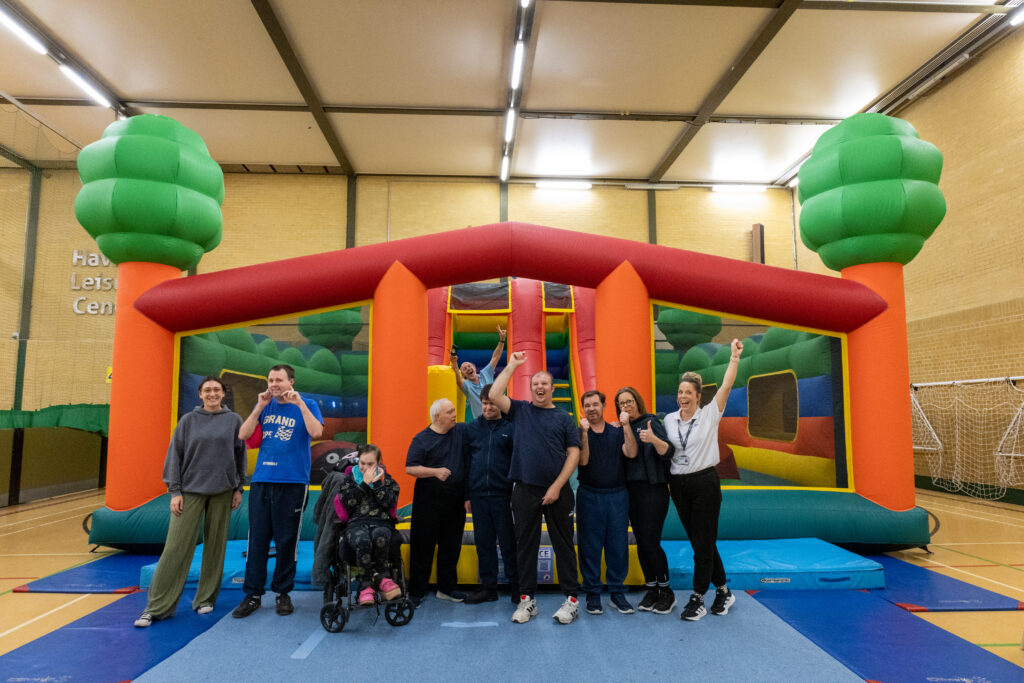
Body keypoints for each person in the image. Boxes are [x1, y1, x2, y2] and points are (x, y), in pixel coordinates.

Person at [134, 376, 246, 627]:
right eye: (207, 390)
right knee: (176, 548)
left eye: (216, 390)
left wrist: (238, 487)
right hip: (190, 491)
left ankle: (206, 598)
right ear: (200, 394)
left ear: (223, 393)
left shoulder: (234, 421)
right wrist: (175, 491)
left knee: (216, 547)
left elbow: (240, 457)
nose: (212, 393)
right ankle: (157, 607)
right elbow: (174, 456)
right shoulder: (188, 421)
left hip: (223, 492)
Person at [488, 351, 582, 625]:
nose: (540, 387)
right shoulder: (520, 411)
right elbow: (494, 395)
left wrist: (556, 487)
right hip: (525, 490)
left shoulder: (564, 418)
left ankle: (571, 600)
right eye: (535, 384)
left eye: (544, 384)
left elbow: (573, 454)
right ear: (530, 389)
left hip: (558, 492)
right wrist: (513, 365)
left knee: (564, 545)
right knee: (525, 546)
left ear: (552, 389)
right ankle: (527, 601)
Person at [233, 364, 324, 619]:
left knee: (286, 540)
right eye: (271, 380)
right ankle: (253, 595)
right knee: (257, 540)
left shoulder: (307, 405)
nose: (274, 384)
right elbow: (244, 435)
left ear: (291, 382)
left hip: (293, 482)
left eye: (279, 380)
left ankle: (283, 593)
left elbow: (317, 432)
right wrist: (259, 407)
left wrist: (300, 405)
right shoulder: (264, 405)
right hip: (263, 480)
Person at [664, 339, 743, 621]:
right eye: (680, 391)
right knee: (701, 541)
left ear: (699, 396)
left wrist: (733, 358)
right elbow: (667, 451)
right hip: (679, 485)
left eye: (689, 392)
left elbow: (726, 388)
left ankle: (698, 597)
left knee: (703, 540)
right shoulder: (670, 420)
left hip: (704, 483)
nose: (683, 396)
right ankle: (723, 590)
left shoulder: (710, 414)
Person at [405, 398, 469, 607]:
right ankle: (416, 591)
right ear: (437, 417)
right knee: (422, 547)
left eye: (453, 410)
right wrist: (435, 472)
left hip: (455, 501)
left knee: (451, 546)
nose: (454, 414)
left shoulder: (459, 432)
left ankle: (446, 588)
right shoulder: (422, 439)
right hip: (428, 502)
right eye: (449, 412)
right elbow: (410, 468)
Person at [617, 386, 674, 615]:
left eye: (629, 401)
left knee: (651, 541)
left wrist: (653, 438)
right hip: (632, 491)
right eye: (621, 403)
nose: (626, 406)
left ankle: (666, 590)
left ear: (637, 401)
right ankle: (651, 588)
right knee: (641, 542)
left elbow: (668, 452)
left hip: (654, 489)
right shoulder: (624, 428)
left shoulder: (651, 422)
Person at [577, 390, 633, 616]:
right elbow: (583, 460)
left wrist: (626, 426)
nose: (591, 409)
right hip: (590, 495)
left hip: (617, 495)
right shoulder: (580, 432)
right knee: (589, 546)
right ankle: (592, 592)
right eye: (587, 405)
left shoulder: (616, 431)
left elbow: (631, 453)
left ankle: (617, 592)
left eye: (594, 404)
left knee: (618, 545)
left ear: (603, 405)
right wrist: (584, 433)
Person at [463, 384, 518, 604]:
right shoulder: (472, 429)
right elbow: (466, 462)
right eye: (484, 403)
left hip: (503, 496)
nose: (487, 407)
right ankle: (488, 588)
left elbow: (517, 461)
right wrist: (467, 494)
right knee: (483, 543)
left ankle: (517, 586)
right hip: (478, 496)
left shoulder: (511, 428)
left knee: (508, 542)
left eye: (491, 403)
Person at [336, 444, 402, 605]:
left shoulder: (388, 480)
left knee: (380, 535)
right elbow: (347, 502)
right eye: (362, 463)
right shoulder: (350, 479)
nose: (365, 467)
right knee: (363, 540)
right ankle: (365, 585)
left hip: (381, 522)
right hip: (356, 524)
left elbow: (390, 503)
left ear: (378, 463)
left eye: (370, 464)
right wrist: (364, 484)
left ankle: (382, 577)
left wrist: (378, 483)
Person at [451, 325, 506, 419]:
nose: (468, 368)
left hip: (500, 415)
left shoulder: (485, 373)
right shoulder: (467, 386)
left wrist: (501, 340)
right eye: (464, 369)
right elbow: (457, 379)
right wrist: (454, 362)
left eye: (469, 366)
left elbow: (495, 357)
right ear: (464, 375)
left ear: (474, 368)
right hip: (484, 422)